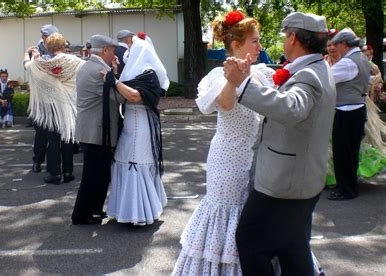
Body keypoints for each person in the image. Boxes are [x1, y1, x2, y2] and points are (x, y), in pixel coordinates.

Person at [222, 12, 335, 275]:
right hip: (301, 179)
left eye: (285, 36)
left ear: (293, 37)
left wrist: (243, 83)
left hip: (285, 184)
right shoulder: (318, 68)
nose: (284, 41)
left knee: (250, 239)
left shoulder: (309, 75)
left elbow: (291, 108)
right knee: (292, 247)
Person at [173, 11, 272, 274]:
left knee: (252, 218)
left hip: (257, 158)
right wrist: (234, 78)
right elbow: (225, 103)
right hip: (227, 159)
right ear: (236, 45)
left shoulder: (262, 73)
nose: (260, 46)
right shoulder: (219, 75)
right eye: (254, 41)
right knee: (227, 215)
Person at [106, 34, 169, 226]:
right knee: (125, 159)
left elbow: (134, 96)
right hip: (131, 123)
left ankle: (139, 213)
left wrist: (114, 81)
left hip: (141, 124)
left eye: (131, 50)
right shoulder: (136, 72)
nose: (127, 53)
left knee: (135, 160)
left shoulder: (149, 73)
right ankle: (129, 210)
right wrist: (116, 74)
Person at [71, 34, 126, 225]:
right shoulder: (99, 71)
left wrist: (113, 72)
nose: (114, 55)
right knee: (92, 175)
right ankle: (80, 215)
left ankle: (94, 209)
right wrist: (116, 77)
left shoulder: (88, 66)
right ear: (104, 50)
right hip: (96, 130)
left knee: (101, 173)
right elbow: (119, 98)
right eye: (113, 51)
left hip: (92, 129)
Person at [24, 33, 85, 184]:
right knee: (67, 138)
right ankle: (68, 172)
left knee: (53, 140)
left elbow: (29, 67)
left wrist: (28, 54)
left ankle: (55, 173)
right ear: (64, 45)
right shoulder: (75, 61)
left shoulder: (44, 63)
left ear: (47, 46)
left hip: (51, 105)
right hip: (69, 104)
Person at [328, 29, 371, 201]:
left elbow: (326, 79)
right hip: (357, 109)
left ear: (344, 44)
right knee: (351, 152)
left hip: (346, 111)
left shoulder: (347, 63)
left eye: (336, 44)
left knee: (342, 153)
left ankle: (345, 190)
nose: (334, 48)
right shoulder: (362, 58)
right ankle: (348, 186)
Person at [30, 24, 60, 173]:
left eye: (46, 36)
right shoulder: (37, 50)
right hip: (41, 97)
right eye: (43, 36)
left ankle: (54, 166)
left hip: (56, 98)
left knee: (54, 134)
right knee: (41, 132)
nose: (44, 39)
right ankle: (37, 161)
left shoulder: (59, 48)